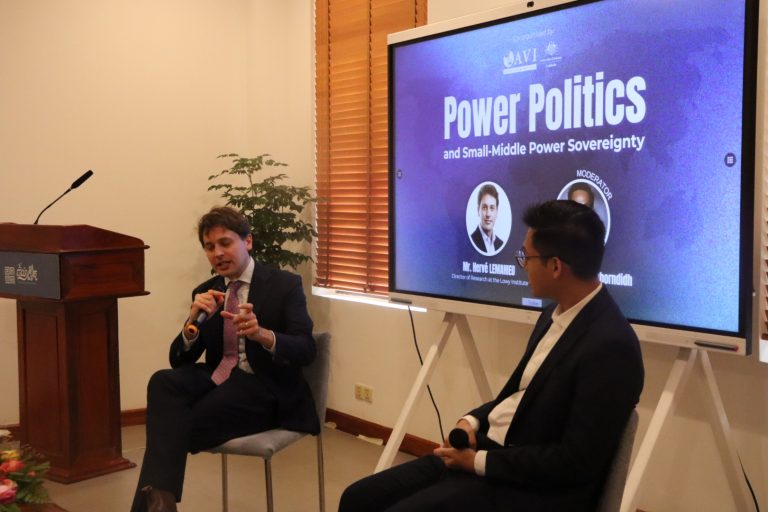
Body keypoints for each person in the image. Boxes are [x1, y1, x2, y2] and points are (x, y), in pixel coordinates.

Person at [339, 199, 644, 512]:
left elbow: (573, 463)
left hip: (532, 489)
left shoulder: (612, 347)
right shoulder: (552, 315)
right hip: (491, 454)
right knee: (358, 498)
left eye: (526, 257)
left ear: (555, 267)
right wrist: (472, 421)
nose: (523, 266)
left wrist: (477, 462)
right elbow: (518, 397)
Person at [131, 206, 318, 512]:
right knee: (162, 381)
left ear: (248, 242)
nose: (217, 253)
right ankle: (161, 504)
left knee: (171, 426)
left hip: (265, 385)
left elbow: (306, 349)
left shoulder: (284, 285)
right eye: (209, 247)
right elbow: (180, 360)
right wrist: (191, 323)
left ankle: (155, 505)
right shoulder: (207, 291)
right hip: (219, 376)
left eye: (225, 243)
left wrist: (262, 335)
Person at [470, 183, 504, 254]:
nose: (488, 214)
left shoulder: (500, 244)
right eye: (484, 208)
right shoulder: (471, 241)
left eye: (492, 208)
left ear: (497, 212)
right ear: (478, 210)